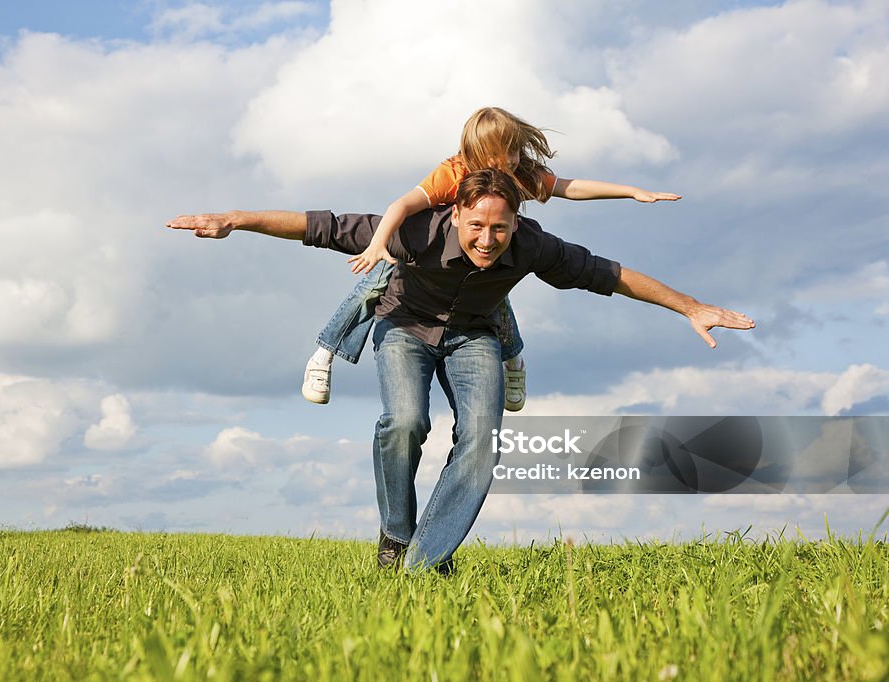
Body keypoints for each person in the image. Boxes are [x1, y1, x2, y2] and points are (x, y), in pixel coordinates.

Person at [166, 169, 754, 572]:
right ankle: (397, 537)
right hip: (404, 327)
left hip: (475, 336)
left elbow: (611, 274)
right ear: (456, 212)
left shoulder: (533, 245)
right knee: (405, 423)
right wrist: (236, 218)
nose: (488, 239)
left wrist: (692, 307)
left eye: (500, 228)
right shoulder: (416, 229)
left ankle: (425, 564)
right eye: (477, 226)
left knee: (482, 442)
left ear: (516, 222)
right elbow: (318, 225)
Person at [301, 106, 681, 411]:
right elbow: (400, 204)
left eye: (512, 152)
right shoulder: (453, 172)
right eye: (495, 157)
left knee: (496, 293)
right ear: (474, 155)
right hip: (420, 250)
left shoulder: (520, 172)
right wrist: (377, 244)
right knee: (376, 278)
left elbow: (570, 187)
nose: (506, 164)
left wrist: (630, 191)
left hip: (482, 255)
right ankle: (325, 353)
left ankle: (513, 358)